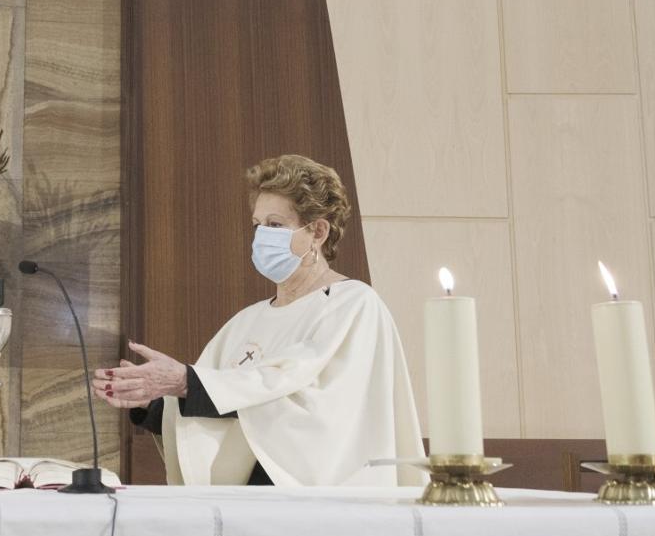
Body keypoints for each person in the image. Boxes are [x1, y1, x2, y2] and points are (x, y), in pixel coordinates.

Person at [93, 155, 424, 487]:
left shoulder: (353, 305)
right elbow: (220, 406)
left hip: (316, 509)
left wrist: (185, 382)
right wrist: (154, 403)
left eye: (276, 225)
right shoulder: (245, 322)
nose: (262, 236)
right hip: (244, 507)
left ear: (318, 232)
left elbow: (325, 415)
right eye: (258, 225)